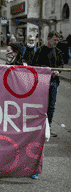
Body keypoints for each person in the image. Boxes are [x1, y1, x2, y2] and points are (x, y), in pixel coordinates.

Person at [30, 31, 64, 180]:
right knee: (40, 105)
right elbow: (34, 65)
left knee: (51, 106)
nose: (56, 42)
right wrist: (46, 70)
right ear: (48, 39)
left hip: (53, 83)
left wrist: (57, 71)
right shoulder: (40, 51)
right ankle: (38, 123)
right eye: (54, 40)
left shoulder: (59, 52)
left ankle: (48, 124)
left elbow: (62, 65)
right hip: (42, 82)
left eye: (58, 40)